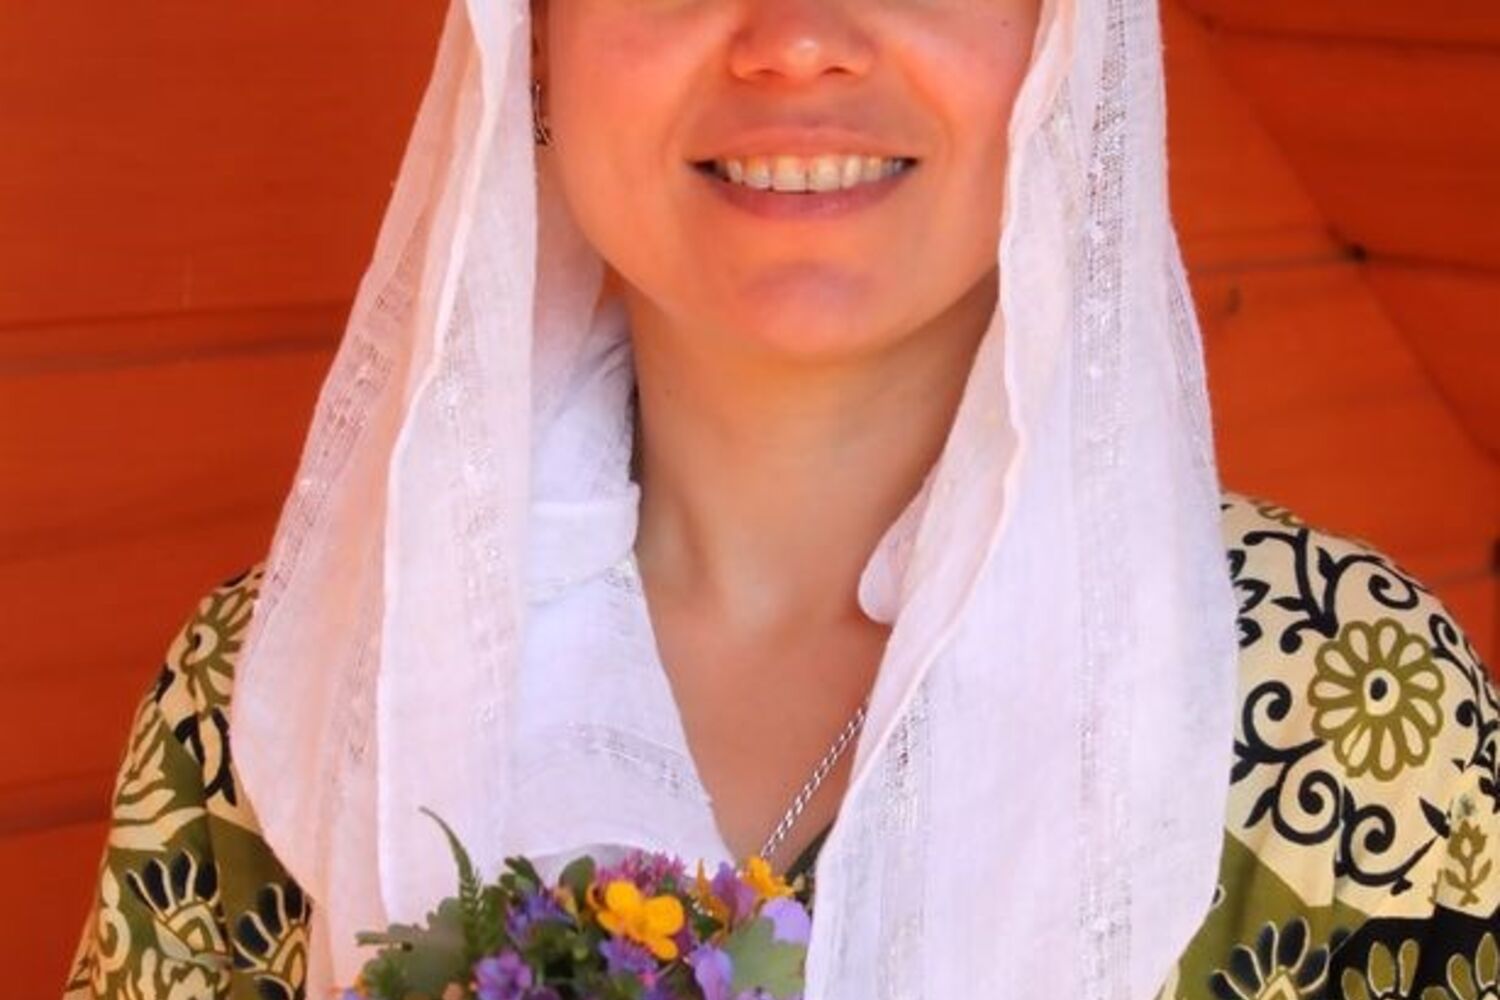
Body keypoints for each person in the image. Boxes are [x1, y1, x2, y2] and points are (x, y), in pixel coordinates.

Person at [66, 0, 1497, 997]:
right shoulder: (269, 702)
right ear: (535, 38)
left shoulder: (1350, 709)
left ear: (1069, 33)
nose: (799, 38)